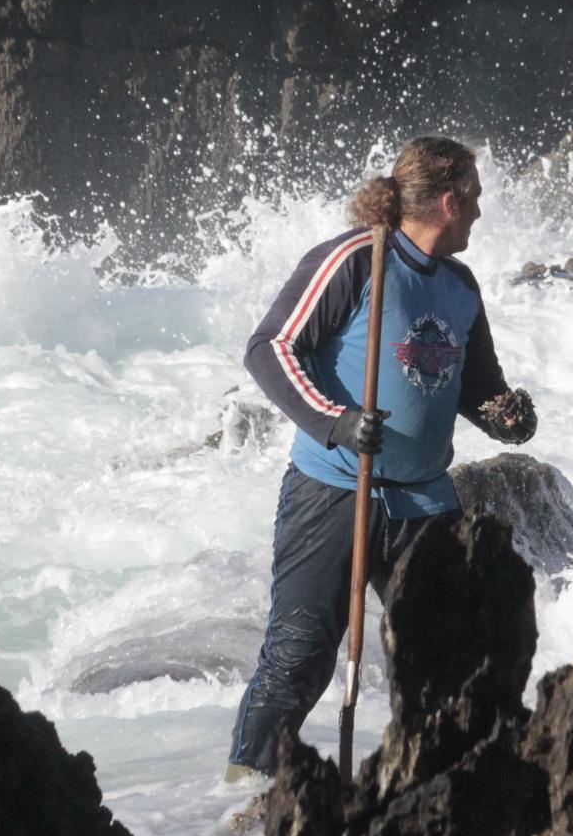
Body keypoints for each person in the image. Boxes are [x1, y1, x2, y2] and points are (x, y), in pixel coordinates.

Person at [227, 136, 537, 778]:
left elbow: (478, 389)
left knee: (449, 656)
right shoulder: (353, 260)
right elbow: (270, 349)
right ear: (450, 201)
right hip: (337, 489)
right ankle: (244, 796)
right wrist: (336, 422)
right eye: (474, 200)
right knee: (300, 655)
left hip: (424, 500)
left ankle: (434, 789)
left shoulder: (460, 286)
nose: (479, 213)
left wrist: (507, 417)